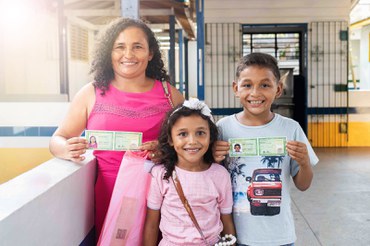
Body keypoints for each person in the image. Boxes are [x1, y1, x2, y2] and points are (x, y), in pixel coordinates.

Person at [49, 17, 184, 239]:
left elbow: (191, 143)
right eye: (119, 47)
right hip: (110, 194)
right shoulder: (90, 93)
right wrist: (65, 149)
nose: (128, 54)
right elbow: (58, 139)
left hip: (161, 195)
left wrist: (167, 150)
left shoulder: (170, 95)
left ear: (150, 54)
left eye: (137, 47)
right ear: (108, 53)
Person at [216, 53, 319, 246]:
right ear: (235, 88)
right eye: (247, 85)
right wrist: (213, 160)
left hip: (280, 237)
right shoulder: (223, 128)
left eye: (265, 85)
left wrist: (304, 163)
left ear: (278, 89)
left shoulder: (291, 128)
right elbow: (211, 178)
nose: (255, 93)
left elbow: (303, 185)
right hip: (233, 235)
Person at [144, 98, 236, 246]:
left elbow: (226, 219)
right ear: (170, 139)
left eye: (200, 133)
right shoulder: (160, 174)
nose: (192, 141)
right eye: (182, 134)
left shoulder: (220, 175)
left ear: (210, 137)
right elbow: (152, 223)